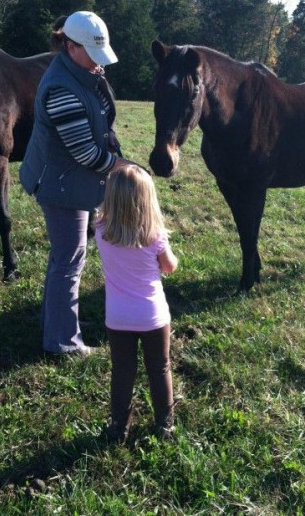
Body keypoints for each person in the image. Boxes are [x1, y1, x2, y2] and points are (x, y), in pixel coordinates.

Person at [20, 10, 132, 355]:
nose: (99, 64)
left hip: (68, 179)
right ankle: (62, 343)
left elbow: (98, 116)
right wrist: (123, 166)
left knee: (64, 258)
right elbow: (85, 153)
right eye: (92, 55)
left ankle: (53, 326)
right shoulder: (61, 90)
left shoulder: (80, 71)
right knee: (70, 260)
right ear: (70, 47)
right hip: (60, 185)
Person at [94, 164, 178, 442]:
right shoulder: (155, 236)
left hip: (117, 317)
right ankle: (165, 425)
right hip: (153, 317)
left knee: (122, 370)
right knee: (159, 367)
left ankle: (119, 426)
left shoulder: (101, 231)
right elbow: (169, 267)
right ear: (147, 199)